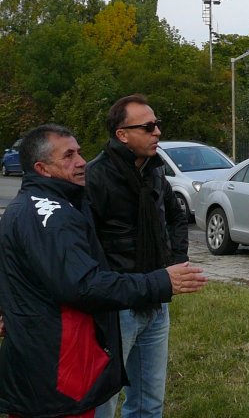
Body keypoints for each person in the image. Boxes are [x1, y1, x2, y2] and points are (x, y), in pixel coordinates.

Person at [0, 124, 207, 418]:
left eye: (79, 152)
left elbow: (17, 269)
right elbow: (82, 285)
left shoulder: (40, 205)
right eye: (68, 156)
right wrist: (160, 281)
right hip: (58, 373)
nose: (81, 161)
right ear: (42, 168)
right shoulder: (53, 216)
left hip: (43, 366)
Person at [85, 95, 191, 418]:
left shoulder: (154, 171)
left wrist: (175, 263)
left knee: (149, 402)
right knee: (102, 399)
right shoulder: (96, 177)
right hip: (117, 305)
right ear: (122, 134)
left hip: (155, 299)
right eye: (148, 127)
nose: (157, 131)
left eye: (157, 124)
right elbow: (84, 241)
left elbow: (176, 216)